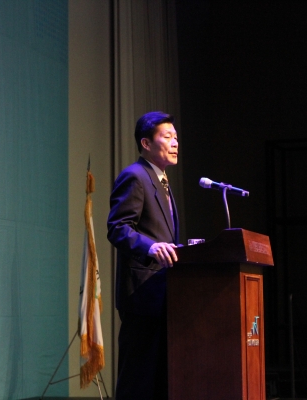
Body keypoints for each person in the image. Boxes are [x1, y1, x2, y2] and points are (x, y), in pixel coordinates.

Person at [107, 111, 180, 400]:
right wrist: (150, 247)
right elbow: (117, 228)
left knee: (158, 381)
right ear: (146, 143)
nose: (175, 143)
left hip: (163, 295)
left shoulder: (162, 181)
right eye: (167, 137)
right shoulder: (135, 176)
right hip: (142, 295)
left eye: (176, 137)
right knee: (137, 381)